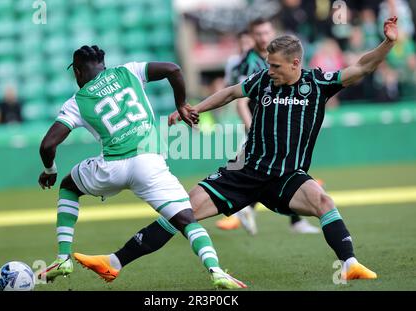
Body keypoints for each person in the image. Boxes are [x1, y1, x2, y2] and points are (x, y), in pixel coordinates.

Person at [85, 16, 399, 283]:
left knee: (323, 200)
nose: (270, 71)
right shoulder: (264, 80)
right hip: (243, 172)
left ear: (295, 63)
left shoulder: (317, 84)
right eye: (268, 65)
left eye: (275, 66)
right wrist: (195, 108)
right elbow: (231, 93)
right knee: (180, 211)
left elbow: (361, 67)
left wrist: (387, 43)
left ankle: (349, 264)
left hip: (285, 177)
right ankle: (113, 263)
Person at [37, 45, 246, 289]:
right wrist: (181, 104)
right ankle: (216, 271)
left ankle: (63, 258)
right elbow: (173, 69)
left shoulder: (76, 102)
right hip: (148, 164)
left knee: (68, 186)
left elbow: (47, 145)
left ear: (79, 72)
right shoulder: (129, 71)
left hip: (110, 168)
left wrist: (50, 170)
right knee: (187, 220)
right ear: (103, 65)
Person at [218, 17, 320, 235]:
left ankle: (252, 210)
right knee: (256, 170)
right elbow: (240, 102)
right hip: (262, 128)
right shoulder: (247, 63)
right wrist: (252, 129)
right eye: (258, 34)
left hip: (282, 125)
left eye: (266, 33)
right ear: (251, 36)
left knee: (284, 170)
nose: (263, 37)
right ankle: (239, 207)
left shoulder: (281, 54)